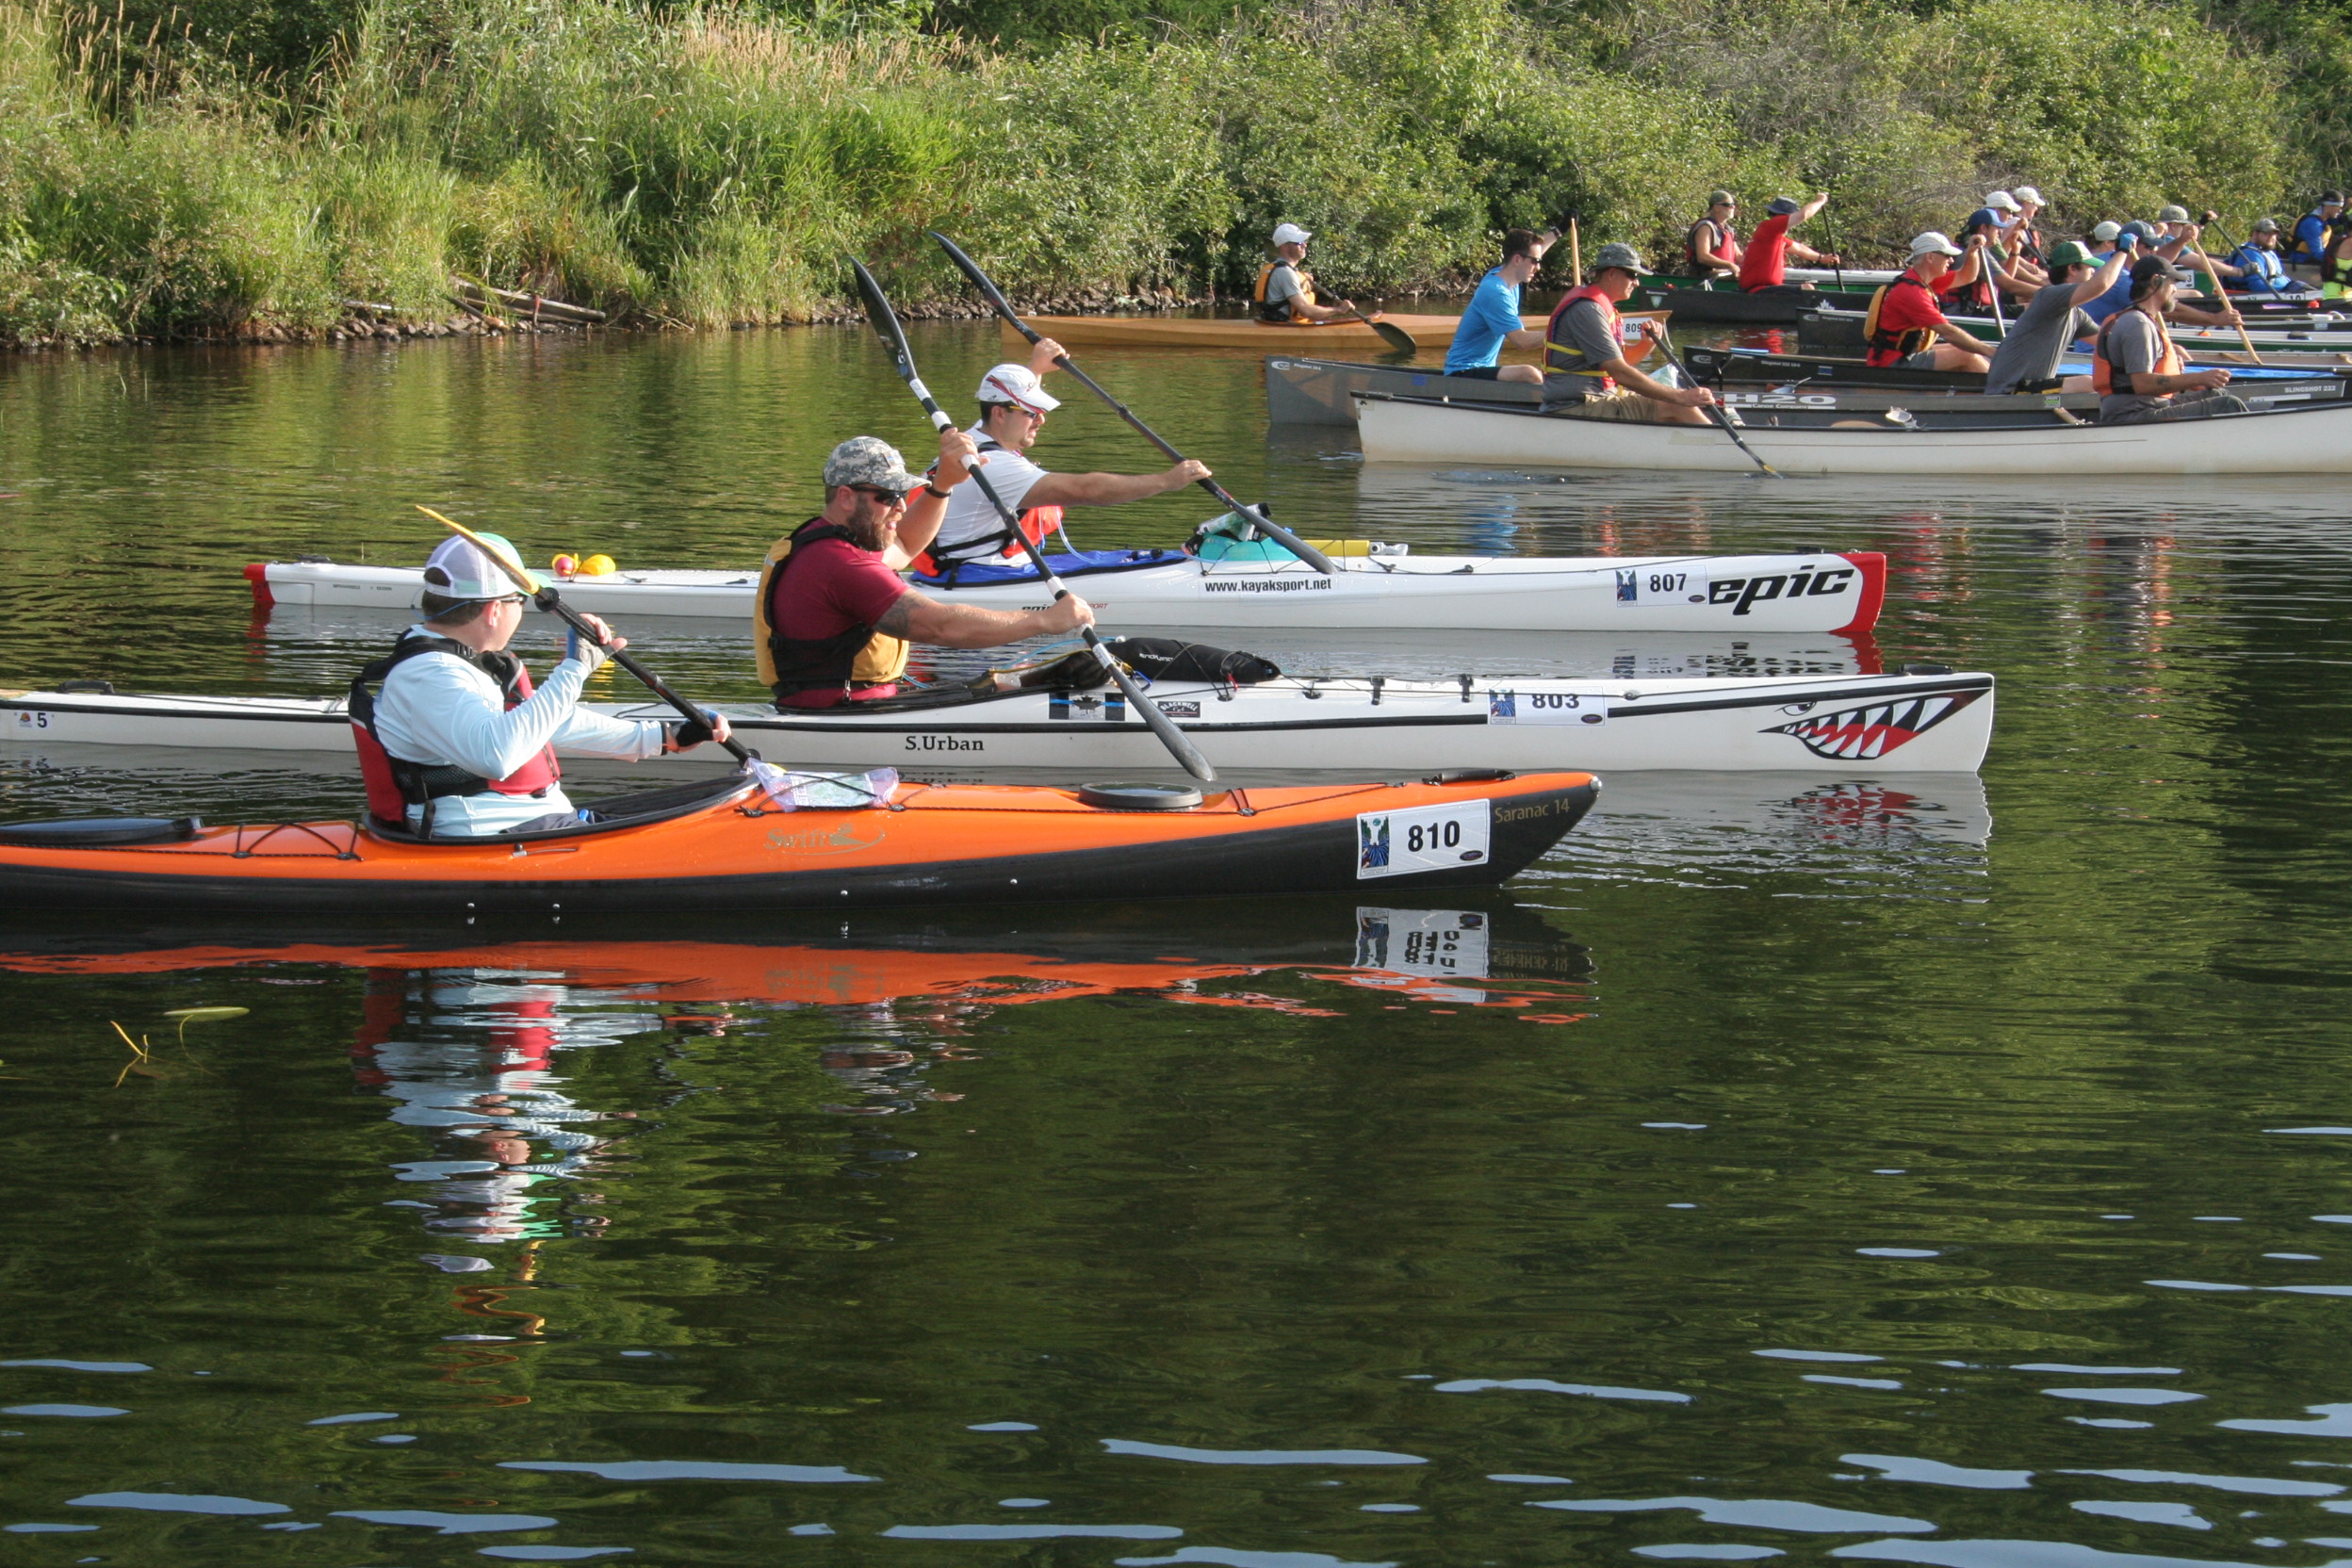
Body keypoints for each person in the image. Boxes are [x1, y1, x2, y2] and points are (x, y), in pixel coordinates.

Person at [351, 532, 733, 837]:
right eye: (520, 601)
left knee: (721, 805)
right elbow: (496, 755)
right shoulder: (430, 676)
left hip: (534, 824)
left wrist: (665, 736)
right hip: (491, 835)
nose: (521, 612)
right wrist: (573, 671)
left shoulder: (464, 661)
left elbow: (545, 723)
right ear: (494, 609)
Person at [756, 434, 1101, 710]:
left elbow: (905, 544)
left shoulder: (823, 541)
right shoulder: (842, 565)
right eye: (889, 496)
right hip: (843, 714)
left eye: (903, 494)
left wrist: (943, 485)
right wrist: (1045, 621)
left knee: (1030, 679)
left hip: (854, 706)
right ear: (846, 497)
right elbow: (942, 627)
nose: (901, 506)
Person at [915, 354, 1211, 578]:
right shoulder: (994, 466)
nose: (1041, 419)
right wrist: (1167, 481)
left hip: (973, 568)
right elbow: (1087, 490)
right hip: (980, 576)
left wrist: (1037, 368)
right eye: (1032, 412)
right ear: (1000, 414)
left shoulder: (978, 433)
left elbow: (1009, 403)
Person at [1542, 243, 1719, 425]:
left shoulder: (1600, 307)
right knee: (1678, 405)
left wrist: (1646, 344)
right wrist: (1680, 397)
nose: (1636, 282)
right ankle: (1719, 449)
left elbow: (1621, 362)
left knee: (1674, 398)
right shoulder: (1588, 310)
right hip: (1577, 405)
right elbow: (1620, 372)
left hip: (1595, 398)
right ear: (1611, 273)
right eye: (1632, 275)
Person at [2095, 257, 2247, 425]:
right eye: (2172, 283)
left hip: (2149, 406)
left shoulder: (2138, 320)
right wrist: (2200, 378)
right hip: (2133, 414)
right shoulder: (2137, 324)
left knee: (2218, 396)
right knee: (2227, 405)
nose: (2175, 290)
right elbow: (2142, 384)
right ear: (2155, 281)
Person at [1984, 239, 2131, 395]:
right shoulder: (2050, 296)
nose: (2094, 272)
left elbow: (2106, 341)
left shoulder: (2076, 314)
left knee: (2097, 382)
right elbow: (2100, 285)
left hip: (2033, 390)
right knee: (2088, 384)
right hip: (2013, 391)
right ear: (2073, 269)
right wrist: (2122, 252)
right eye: (2090, 268)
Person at [1861, 232, 1998, 373]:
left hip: (1905, 353)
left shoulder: (1924, 281)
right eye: (1947, 256)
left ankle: (2000, 385)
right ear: (1930, 257)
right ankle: (2003, 392)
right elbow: (1948, 332)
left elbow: (1967, 276)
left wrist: (1972, 252)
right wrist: (1991, 351)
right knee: (1968, 356)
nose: (1951, 261)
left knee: (1966, 351)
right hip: (1892, 363)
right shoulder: (1911, 292)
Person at [1444, 227, 1554, 383]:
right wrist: (1563, 333)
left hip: (1483, 368)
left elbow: (1533, 252)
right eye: (1535, 262)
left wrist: (1558, 231)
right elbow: (1522, 342)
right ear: (1517, 259)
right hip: (1463, 372)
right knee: (1529, 373)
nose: (1538, 267)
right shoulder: (1496, 293)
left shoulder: (1503, 276)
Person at [1254, 223, 1368, 324]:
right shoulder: (1285, 273)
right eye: (1299, 242)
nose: (1304, 245)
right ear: (1285, 247)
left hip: (1278, 322)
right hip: (1286, 326)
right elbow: (1307, 311)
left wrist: (1302, 279)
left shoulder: (1283, 269)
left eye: (1304, 241)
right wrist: (1338, 310)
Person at [1737, 194, 1840, 293]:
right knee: (1807, 289)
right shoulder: (1770, 226)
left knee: (1807, 288)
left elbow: (1799, 248)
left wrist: (1822, 258)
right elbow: (1803, 215)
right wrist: (1820, 201)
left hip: (1767, 289)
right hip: (1759, 290)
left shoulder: (1774, 238)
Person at [2225, 219, 2299, 295]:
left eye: (2274, 234)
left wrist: (2294, 287)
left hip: (2280, 295)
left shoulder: (2269, 253)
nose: (2271, 237)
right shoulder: (2251, 254)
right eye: (2266, 233)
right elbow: (2257, 287)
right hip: (2263, 300)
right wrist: (2286, 289)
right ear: (2255, 235)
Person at [1685, 191, 1742, 280]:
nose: (1733, 207)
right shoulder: (1705, 227)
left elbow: (1739, 257)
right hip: (1705, 278)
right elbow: (1703, 257)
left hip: (1725, 275)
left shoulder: (1728, 229)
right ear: (1716, 207)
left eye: (1733, 204)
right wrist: (1730, 265)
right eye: (1728, 205)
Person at [2291, 192, 2344, 273]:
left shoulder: (2324, 219)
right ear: (2328, 206)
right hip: (2302, 263)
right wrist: (2342, 260)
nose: (2340, 210)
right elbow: (2317, 253)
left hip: (2310, 260)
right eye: (2338, 207)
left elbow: (2343, 221)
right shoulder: (2313, 224)